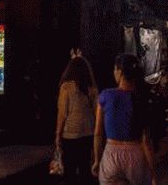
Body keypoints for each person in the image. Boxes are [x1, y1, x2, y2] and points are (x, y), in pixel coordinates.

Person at [93, 54, 156, 185]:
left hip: (111, 155)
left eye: (115, 69)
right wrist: (153, 174)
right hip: (135, 157)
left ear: (120, 72)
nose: (114, 73)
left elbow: (98, 134)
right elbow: (146, 141)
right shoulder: (140, 99)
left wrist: (97, 161)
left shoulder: (105, 96)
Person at [55, 54, 98, 184]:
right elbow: (96, 113)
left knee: (70, 171)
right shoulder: (93, 89)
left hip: (70, 134)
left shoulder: (66, 88)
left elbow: (62, 114)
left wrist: (57, 134)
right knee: (85, 168)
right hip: (88, 132)